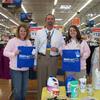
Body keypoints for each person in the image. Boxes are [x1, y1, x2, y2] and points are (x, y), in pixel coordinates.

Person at [35, 14, 64, 100]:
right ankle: (40, 98)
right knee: (41, 81)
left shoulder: (59, 33)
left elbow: (63, 46)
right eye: (48, 19)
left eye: (52, 19)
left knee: (52, 81)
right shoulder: (39, 32)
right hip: (42, 58)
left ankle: (51, 98)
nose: (50, 20)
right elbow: (36, 47)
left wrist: (58, 50)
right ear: (45, 20)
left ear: (54, 21)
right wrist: (35, 62)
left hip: (53, 59)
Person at [3, 24, 36, 100]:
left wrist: (33, 56)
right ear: (18, 31)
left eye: (25, 31)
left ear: (27, 32)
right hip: (15, 69)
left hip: (25, 69)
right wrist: (14, 53)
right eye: (21, 31)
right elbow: (5, 52)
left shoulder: (28, 42)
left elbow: (31, 53)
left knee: (24, 89)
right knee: (17, 90)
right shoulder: (12, 41)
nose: (23, 32)